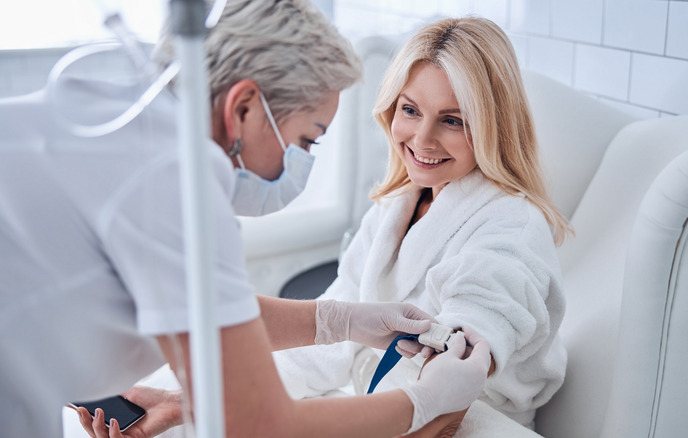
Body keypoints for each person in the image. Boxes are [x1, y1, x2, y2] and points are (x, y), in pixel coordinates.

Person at [0, 1, 490, 438]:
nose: (300, 163)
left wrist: (342, 319)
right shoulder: (174, 182)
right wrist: (424, 402)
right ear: (244, 106)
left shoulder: (106, 120)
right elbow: (260, 424)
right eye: (307, 141)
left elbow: (208, 304)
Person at [270, 16, 572, 437]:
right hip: (385, 401)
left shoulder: (512, 228)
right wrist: (231, 396)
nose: (422, 139)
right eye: (410, 110)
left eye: (453, 120)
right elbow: (339, 319)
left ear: (492, 126)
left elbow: (470, 337)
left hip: (469, 422)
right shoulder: (399, 204)